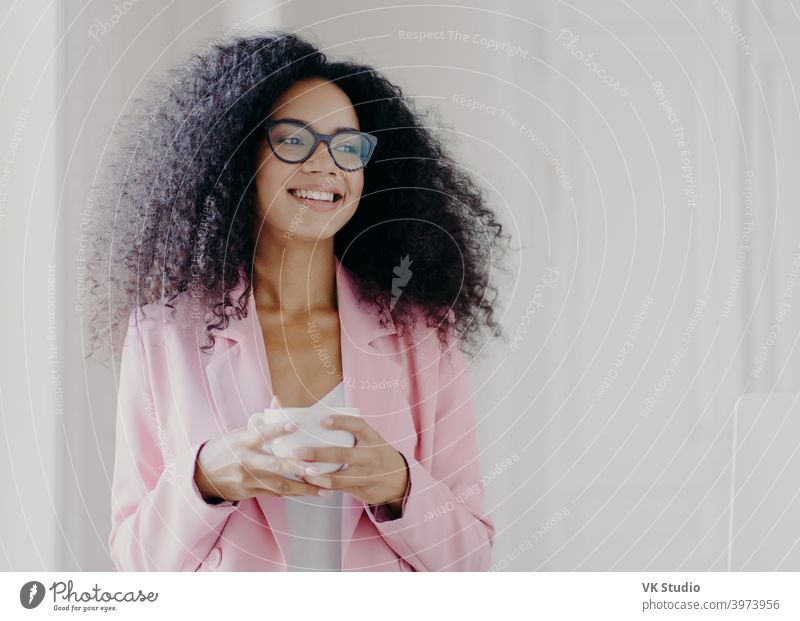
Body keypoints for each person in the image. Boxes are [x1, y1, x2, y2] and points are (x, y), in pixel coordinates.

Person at [85, 30, 511, 571]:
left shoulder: (422, 332)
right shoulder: (163, 333)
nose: (326, 164)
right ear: (240, 157)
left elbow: (470, 561)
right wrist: (209, 478)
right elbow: (136, 562)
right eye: (294, 140)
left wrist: (397, 484)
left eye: (347, 146)